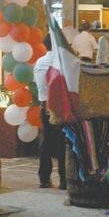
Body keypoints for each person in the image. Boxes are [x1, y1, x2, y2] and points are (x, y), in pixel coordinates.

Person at [33, 35, 66, 189]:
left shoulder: (40, 62)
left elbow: (38, 84)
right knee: (63, 142)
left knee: (46, 142)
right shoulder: (62, 62)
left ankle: (44, 179)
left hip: (44, 106)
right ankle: (64, 180)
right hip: (60, 108)